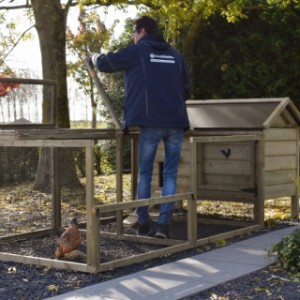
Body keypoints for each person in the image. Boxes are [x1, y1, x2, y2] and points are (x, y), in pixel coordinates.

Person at [91, 15, 191, 239]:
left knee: (145, 174)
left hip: (151, 123)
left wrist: (94, 55)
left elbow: (106, 63)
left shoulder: (138, 51)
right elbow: (187, 87)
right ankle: (163, 224)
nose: (132, 37)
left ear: (142, 31)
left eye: (134, 33)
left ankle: (144, 220)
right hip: (175, 123)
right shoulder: (176, 55)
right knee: (170, 175)